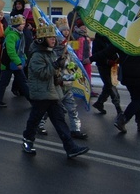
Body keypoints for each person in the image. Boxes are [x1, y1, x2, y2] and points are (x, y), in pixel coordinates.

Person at [21, 25, 89, 159]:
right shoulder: (36, 55)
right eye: (50, 38)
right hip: (41, 94)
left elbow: (54, 74)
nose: (53, 40)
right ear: (42, 39)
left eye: (53, 37)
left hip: (52, 92)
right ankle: (27, 141)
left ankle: (70, 147)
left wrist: (64, 75)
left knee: (59, 120)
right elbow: (42, 74)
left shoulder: (51, 52)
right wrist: (55, 65)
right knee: (35, 120)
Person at [113, 44, 140, 133]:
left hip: (128, 76)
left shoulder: (123, 39)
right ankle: (123, 119)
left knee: (135, 100)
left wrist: (91, 59)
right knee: (139, 100)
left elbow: (109, 50)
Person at [0, 15, 29, 107]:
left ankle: (32, 100)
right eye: (21, 24)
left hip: (15, 62)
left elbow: (21, 50)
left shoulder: (19, 34)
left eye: (24, 24)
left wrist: (24, 58)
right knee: (4, 82)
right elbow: (11, 51)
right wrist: (18, 62)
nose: (23, 26)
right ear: (16, 25)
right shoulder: (12, 36)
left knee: (23, 82)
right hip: (8, 63)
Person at [89, 33, 122, 115]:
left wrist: (117, 59)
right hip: (103, 66)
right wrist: (107, 61)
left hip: (113, 66)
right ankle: (118, 109)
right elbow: (96, 55)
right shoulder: (97, 41)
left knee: (108, 86)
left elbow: (114, 51)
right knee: (110, 86)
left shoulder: (111, 39)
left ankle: (99, 103)